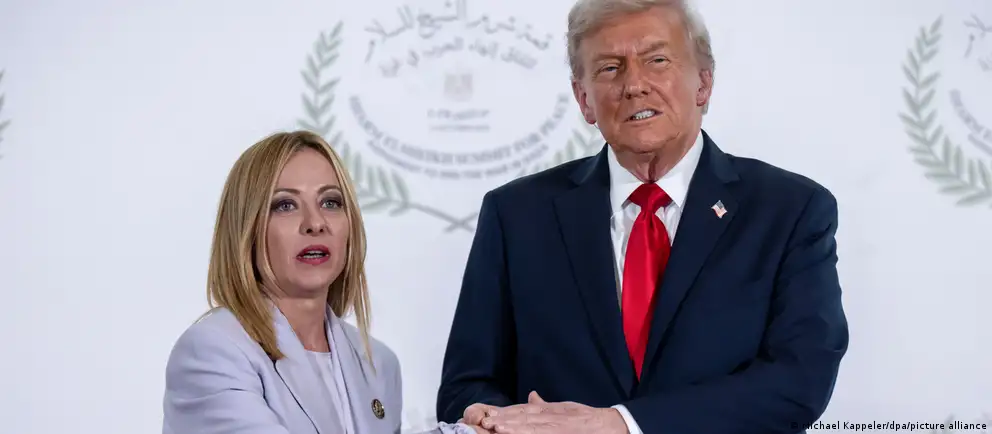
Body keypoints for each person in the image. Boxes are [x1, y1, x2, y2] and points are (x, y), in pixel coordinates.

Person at [436, 0, 849, 433]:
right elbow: (466, 387)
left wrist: (623, 424)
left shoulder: (790, 210)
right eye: (609, 68)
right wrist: (493, 420)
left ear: (703, 82)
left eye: (657, 60)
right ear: (584, 100)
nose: (634, 85)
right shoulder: (516, 215)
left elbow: (799, 381)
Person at [162, 131, 488, 434]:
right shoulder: (212, 350)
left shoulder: (379, 363)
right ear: (245, 229)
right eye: (285, 205)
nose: (315, 223)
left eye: (330, 202)